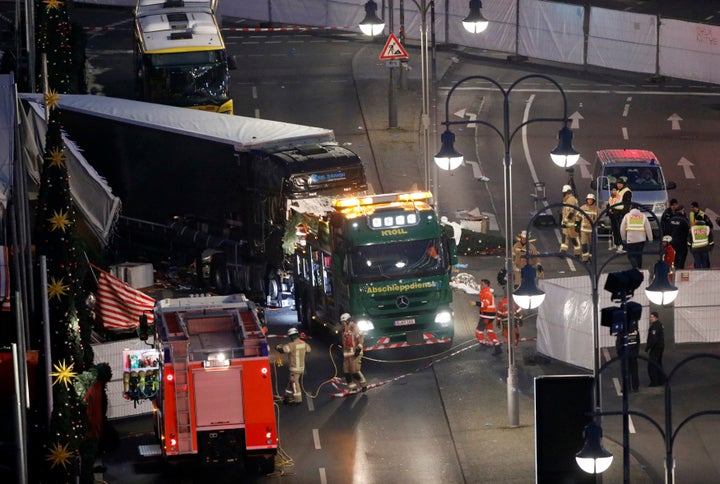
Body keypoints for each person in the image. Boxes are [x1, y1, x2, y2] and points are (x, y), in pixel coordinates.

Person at [275, 327, 311, 405]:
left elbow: (283, 350)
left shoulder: (291, 345)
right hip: (301, 367)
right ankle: (287, 396)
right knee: (291, 382)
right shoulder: (303, 343)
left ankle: (298, 399)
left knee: (294, 382)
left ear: (291, 337)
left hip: (294, 368)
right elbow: (309, 350)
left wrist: (277, 347)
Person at [470, 279, 502, 355]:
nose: (481, 286)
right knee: (490, 331)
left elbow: (486, 303)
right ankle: (497, 346)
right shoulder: (486, 292)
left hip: (486, 315)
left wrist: (476, 303)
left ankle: (483, 344)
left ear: (486, 285)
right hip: (490, 316)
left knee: (479, 331)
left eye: (482, 284)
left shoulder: (487, 293)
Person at [339, 313, 367, 391]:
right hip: (347, 353)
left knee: (355, 370)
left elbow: (361, 338)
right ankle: (352, 387)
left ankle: (363, 384)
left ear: (348, 320)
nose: (343, 323)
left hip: (355, 352)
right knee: (346, 370)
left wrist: (359, 349)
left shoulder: (354, 327)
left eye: (344, 321)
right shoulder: (344, 330)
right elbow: (344, 341)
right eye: (342, 322)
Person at [609, 177, 632, 252]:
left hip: (621, 213)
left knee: (621, 230)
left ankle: (623, 246)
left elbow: (627, 204)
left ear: (623, 184)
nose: (618, 185)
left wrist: (623, 214)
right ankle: (618, 244)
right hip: (615, 213)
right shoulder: (618, 191)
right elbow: (613, 201)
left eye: (620, 184)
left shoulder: (626, 191)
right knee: (615, 229)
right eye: (618, 183)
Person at [615, 323, 640, 392]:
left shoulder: (623, 330)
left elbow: (619, 343)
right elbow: (638, 342)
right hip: (633, 354)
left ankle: (627, 388)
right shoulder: (636, 330)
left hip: (625, 354)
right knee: (634, 371)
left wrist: (619, 353)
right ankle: (635, 387)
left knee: (625, 372)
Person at [560, 184, 581, 255]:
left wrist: (565, 221)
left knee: (574, 239)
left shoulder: (571, 199)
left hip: (572, 224)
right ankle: (563, 251)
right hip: (567, 224)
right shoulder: (567, 199)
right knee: (564, 238)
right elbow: (565, 212)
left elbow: (571, 212)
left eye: (564, 192)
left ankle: (577, 253)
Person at [646, 312, 665, 387]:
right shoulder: (660, 324)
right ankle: (661, 380)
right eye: (650, 317)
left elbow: (654, 339)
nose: (651, 318)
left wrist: (648, 347)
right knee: (659, 363)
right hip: (660, 347)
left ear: (656, 317)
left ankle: (654, 382)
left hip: (655, 348)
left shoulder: (654, 326)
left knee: (651, 365)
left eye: (652, 317)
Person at [578, 193, 599, 262]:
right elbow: (578, 216)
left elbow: (600, 217)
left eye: (591, 200)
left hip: (592, 230)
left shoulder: (596, 209)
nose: (589, 201)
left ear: (593, 200)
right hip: (583, 229)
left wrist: (601, 223)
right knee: (584, 244)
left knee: (592, 245)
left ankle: (591, 257)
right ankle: (585, 259)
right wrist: (576, 224)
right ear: (586, 200)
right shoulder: (583, 208)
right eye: (588, 200)